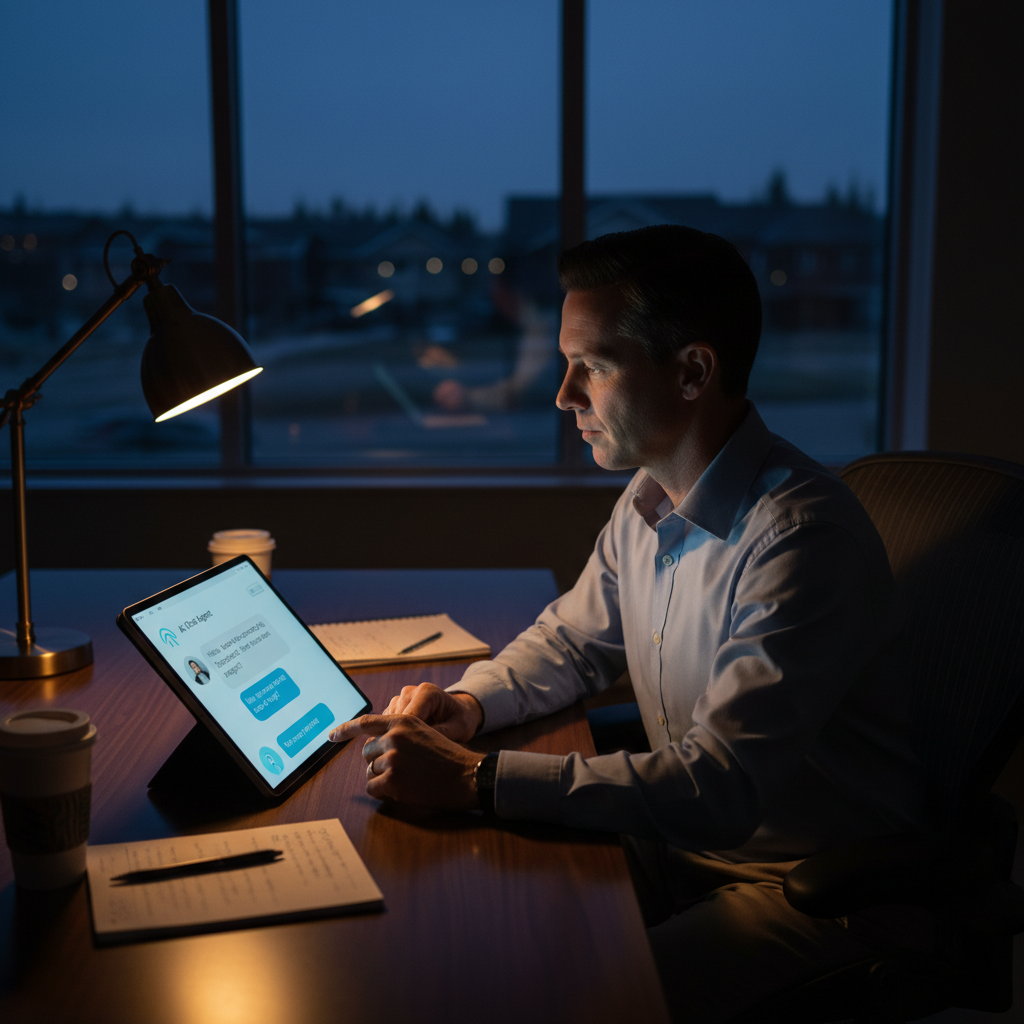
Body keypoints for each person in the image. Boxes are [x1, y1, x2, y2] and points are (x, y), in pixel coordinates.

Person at [330, 225, 932, 1023]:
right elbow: (573, 642)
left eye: (593, 367)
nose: (563, 394)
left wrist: (477, 779)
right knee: (475, 933)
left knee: (565, 998)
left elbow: (719, 787)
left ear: (692, 372)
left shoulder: (799, 539)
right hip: (683, 846)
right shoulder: (651, 495)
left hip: (804, 885)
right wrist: (468, 707)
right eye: (564, 363)